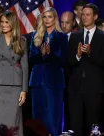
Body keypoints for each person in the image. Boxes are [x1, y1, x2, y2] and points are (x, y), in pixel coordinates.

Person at [29, 7, 68, 136]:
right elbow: (31, 59)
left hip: (54, 82)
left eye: (50, 17)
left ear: (55, 19)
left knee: (53, 117)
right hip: (37, 81)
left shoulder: (62, 37)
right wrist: (42, 54)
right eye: (44, 17)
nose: (46, 20)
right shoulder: (36, 36)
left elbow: (63, 61)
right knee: (38, 117)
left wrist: (49, 54)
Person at [67, 3, 104, 136]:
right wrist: (77, 55)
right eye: (83, 14)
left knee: (94, 124)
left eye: (88, 15)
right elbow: (69, 62)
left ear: (95, 16)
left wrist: (90, 53)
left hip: (94, 88)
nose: (84, 17)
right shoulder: (75, 36)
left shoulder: (102, 36)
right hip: (76, 88)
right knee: (75, 125)